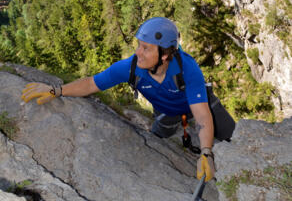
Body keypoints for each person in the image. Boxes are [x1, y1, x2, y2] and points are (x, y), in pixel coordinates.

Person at [22, 17, 215, 181]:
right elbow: (91, 84)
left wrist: (206, 151)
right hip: (168, 113)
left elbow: (202, 115)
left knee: (231, 138)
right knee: (155, 140)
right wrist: (56, 91)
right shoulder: (131, 67)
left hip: (201, 106)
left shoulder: (188, 69)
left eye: (146, 48)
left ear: (164, 55)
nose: (138, 52)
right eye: (139, 45)